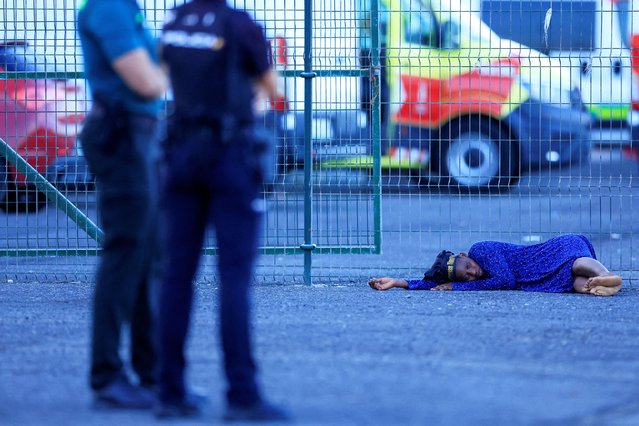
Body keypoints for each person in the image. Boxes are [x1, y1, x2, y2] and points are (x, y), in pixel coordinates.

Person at [156, 0, 288, 421]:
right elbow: (274, 91)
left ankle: (169, 391)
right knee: (233, 279)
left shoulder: (174, 23)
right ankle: (242, 394)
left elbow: (162, 79)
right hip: (229, 156)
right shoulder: (240, 25)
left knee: (176, 276)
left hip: (180, 153)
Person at [77, 0, 168, 410]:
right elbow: (146, 83)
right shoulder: (109, 7)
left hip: (139, 136)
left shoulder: (126, 8)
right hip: (121, 137)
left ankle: (151, 374)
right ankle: (108, 375)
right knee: (126, 253)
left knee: (148, 255)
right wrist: (177, 67)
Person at [369, 234, 622, 296]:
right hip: (541, 278)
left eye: (467, 265)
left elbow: (505, 280)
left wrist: (458, 288)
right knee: (577, 284)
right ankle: (600, 287)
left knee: (576, 264)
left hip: (550, 253)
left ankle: (607, 275)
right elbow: (435, 285)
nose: (473, 272)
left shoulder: (481, 250)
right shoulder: (475, 274)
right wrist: (398, 282)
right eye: (466, 277)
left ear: (464, 254)